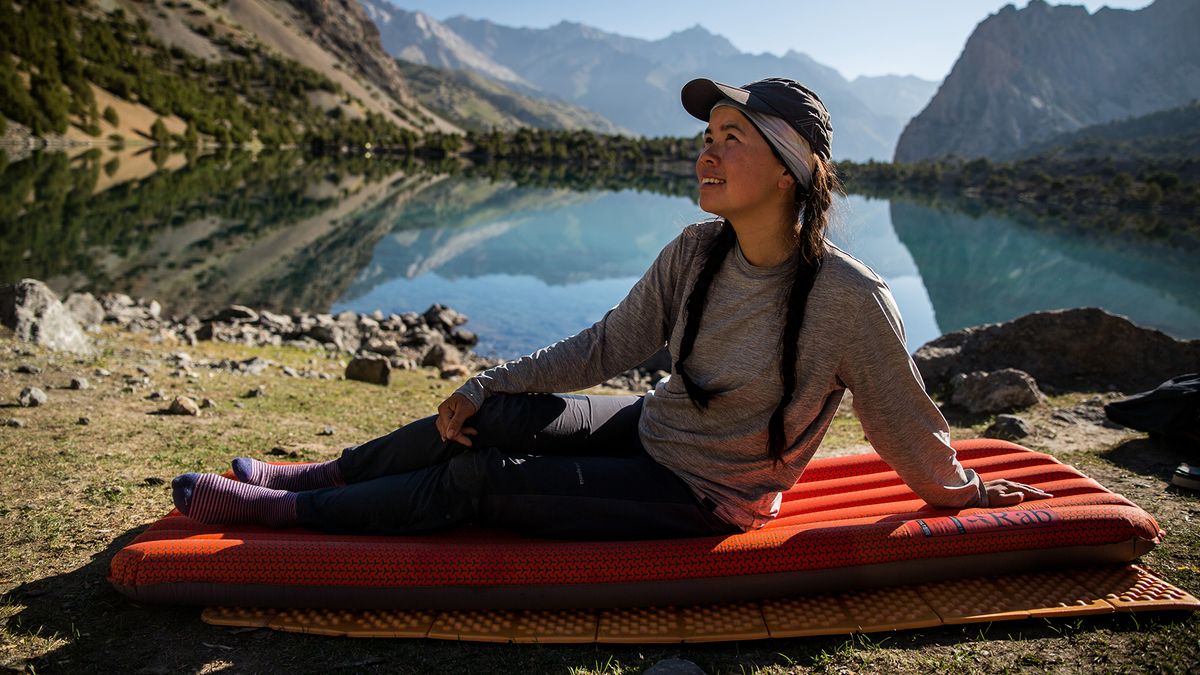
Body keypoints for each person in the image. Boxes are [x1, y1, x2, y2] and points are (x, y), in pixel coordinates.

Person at [171, 77, 1050, 539]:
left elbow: (900, 418)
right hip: (651, 427)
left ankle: (286, 518)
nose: (706, 153)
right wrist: (486, 380)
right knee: (494, 417)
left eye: (730, 139)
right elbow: (607, 345)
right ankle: (313, 476)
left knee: (484, 479)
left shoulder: (851, 299)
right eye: (706, 138)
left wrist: (962, 490)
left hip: (710, 497)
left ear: (789, 172)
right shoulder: (694, 250)